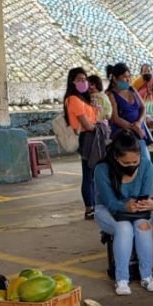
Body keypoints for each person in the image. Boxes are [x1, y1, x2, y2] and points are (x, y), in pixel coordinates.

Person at [93, 132, 153, 296]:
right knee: (124, 228)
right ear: (116, 157)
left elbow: (146, 194)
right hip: (107, 209)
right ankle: (122, 278)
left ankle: (147, 276)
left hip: (136, 211)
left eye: (135, 162)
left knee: (143, 227)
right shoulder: (102, 169)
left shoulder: (146, 166)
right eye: (126, 163)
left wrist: (150, 204)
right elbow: (110, 202)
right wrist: (124, 206)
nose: (131, 165)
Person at [64, 66, 100, 219]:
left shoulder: (83, 98)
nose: (83, 82)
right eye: (79, 80)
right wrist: (98, 127)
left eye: (85, 79)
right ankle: (89, 207)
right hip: (87, 137)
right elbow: (87, 124)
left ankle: (95, 205)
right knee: (89, 175)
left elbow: (94, 117)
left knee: (93, 174)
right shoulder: (74, 99)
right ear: (72, 82)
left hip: (91, 136)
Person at [107, 62, 151, 145]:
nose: (128, 80)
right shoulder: (110, 94)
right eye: (124, 77)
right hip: (123, 134)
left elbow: (143, 107)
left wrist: (139, 122)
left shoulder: (132, 89)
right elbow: (115, 118)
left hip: (139, 130)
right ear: (115, 78)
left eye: (129, 77)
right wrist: (134, 127)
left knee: (144, 153)